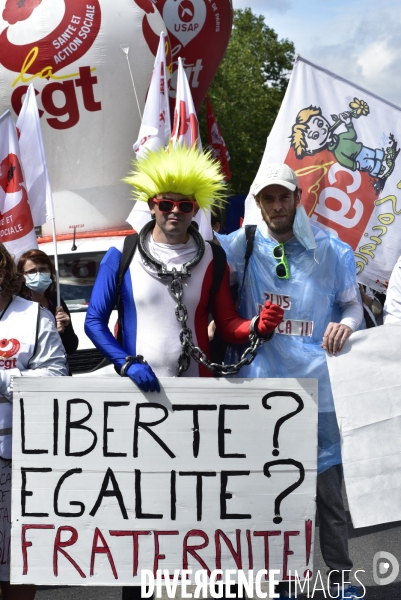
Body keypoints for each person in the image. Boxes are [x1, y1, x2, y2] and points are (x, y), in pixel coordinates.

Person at [84, 145, 284, 598]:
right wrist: (126, 362)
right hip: (140, 402)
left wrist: (256, 325)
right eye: (165, 203)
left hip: (199, 400)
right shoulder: (124, 252)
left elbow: (228, 324)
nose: (174, 212)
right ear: (152, 203)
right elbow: (94, 322)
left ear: (196, 207)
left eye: (185, 204)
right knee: (142, 507)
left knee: (198, 508)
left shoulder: (212, 257)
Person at [216, 163, 364, 600]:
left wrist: (349, 327)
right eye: (268, 199)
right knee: (273, 496)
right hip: (262, 390)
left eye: (285, 197)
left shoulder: (331, 250)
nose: (278, 206)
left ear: (298, 198)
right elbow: (193, 253)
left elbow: (352, 306)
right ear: (258, 204)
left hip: (319, 392)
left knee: (329, 498)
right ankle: (283, 580)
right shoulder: (240, 247)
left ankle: (339, 578)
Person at [0, 243, 68, 600]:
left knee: (16, 567)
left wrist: (4, 381)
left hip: (16, 459)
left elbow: (57, 376)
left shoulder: (32, 316)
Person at [17, 249, 78, 356]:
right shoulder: (17, 304)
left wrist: (66, 328)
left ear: (50, 272)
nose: (38, 274)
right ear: (22, 276)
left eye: (43, 269)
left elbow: (71, 348)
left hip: (59, 369)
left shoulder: (56, 300)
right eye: (32, 271)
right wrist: (52, 333)